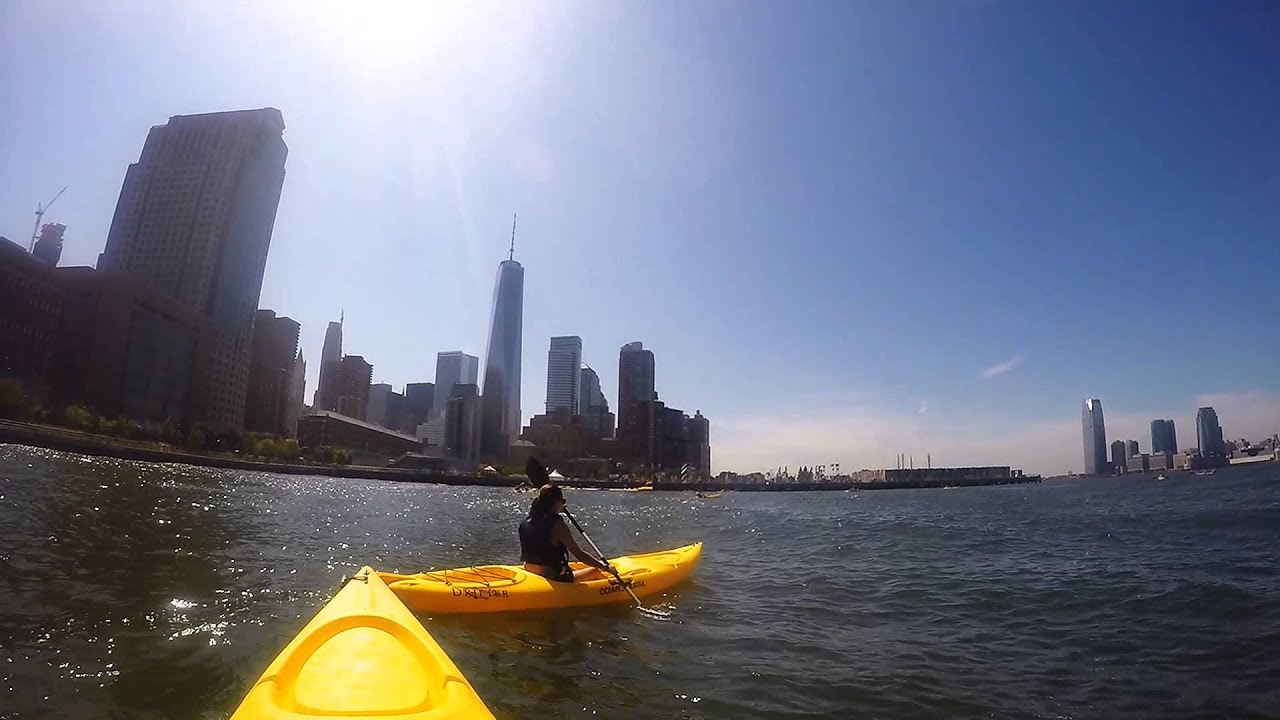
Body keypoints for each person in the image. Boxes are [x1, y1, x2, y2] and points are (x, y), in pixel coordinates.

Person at [519, 484, 613, 583]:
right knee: (595, 572)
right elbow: (580, 555)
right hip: (551, 576)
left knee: (572, 569)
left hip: (529, 571)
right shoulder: (557, 525)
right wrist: (605, 568)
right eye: (562, 501)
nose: (563, 505)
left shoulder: (526, 521)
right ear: (556, 502)